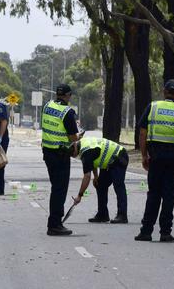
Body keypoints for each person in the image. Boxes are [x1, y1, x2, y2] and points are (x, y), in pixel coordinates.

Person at [135, 79, 174, 242]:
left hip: (155, 158)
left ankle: (146, 232)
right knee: (169, 195)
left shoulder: (152, 107)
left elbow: (142, 133)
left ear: (164, 91)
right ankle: (165, 232)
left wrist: (144, 155)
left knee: (153, 194)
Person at [41, 84, 80, 236]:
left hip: (47, 151)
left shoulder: (47, 106)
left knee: (55, 187)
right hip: (60, 154)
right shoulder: (67, 112)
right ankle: (55, 224)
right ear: (68, 95)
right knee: (59, 189)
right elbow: (72, 137)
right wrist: (78, 138)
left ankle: (55, 222)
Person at [72, 137, 129, 224]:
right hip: (109, 161)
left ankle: (122, 215)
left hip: (119, 156)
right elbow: (93, 161)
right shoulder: (83, 143)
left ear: (75, 147)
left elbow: (87, 176)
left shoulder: (85, 153)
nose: (73, 156)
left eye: (73, 154)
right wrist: (96, 176)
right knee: (100, 184)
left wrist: (79, 195)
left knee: (118, 185)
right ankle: (103, 215)